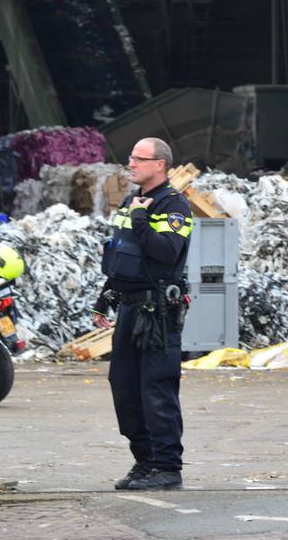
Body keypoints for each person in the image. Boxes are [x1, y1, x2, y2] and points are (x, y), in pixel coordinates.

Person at [92, 137, 193, 491]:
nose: (131, 164)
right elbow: (121, 256)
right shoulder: (131, 201)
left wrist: (140, 219)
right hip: (130, 306)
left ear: (159, 165)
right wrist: (106, 295)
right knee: (124, 387)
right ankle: (144, 461)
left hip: (158, 313)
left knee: (156, 388)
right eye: (130, 157)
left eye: (139, 158)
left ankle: (167, 466)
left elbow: (166, 252)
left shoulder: (174, 206)